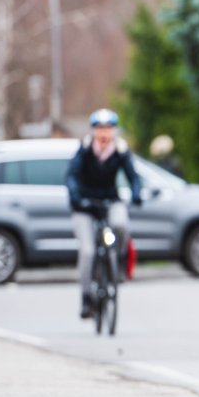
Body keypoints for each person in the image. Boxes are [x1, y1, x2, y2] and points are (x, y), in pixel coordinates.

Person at [65, 108, 142, 318]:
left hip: (110, 200)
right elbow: (71, 176)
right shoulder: (84, 149)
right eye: (99, 128)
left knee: (121, 224)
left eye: (108, 128)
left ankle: (117, 261)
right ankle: (86, 298)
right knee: (88, 251)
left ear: (114, 130)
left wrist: (136, 194)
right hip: (85, 205)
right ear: (93, 131)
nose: (104, 133)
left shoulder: (120, 150)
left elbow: (134, 177)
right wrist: (75, 197)